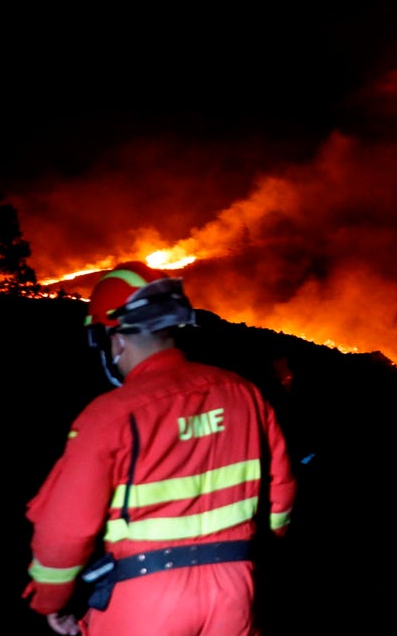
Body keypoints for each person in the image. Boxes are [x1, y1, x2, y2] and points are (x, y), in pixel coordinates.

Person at [23, 262, 297, 636]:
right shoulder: (243, 393)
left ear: (115, 339)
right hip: (235, 593)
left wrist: (50, 600)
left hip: (145, 599)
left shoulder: (111, 415)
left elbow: (64, 531)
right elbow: (280, 496)